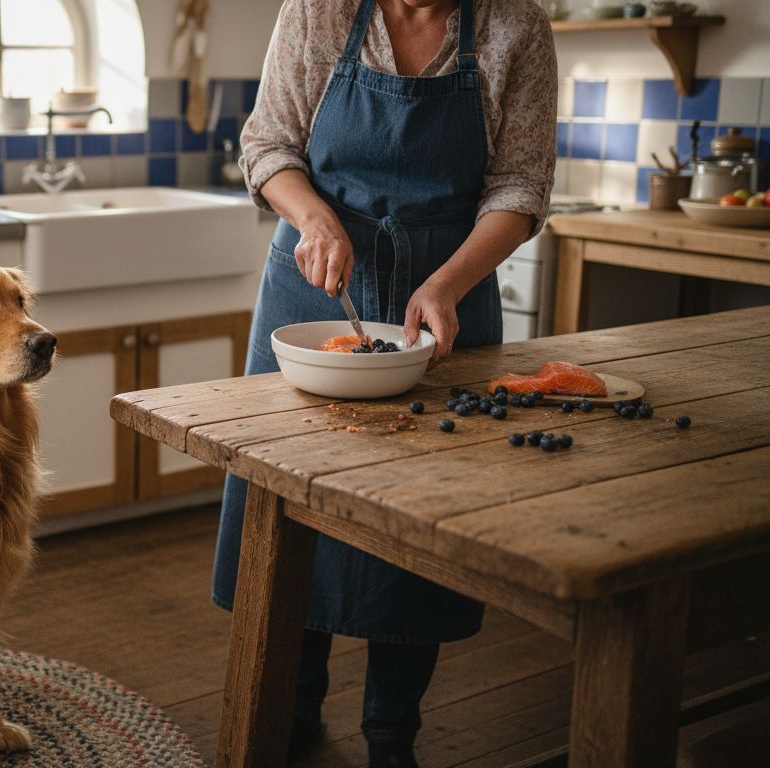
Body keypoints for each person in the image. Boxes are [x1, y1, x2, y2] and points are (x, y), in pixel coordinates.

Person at [213, 0, 556, 766]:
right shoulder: (320, 9)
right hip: (314, 280)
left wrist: (448, 284)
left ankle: (393, 730)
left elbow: (521, 184)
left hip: (446, 292)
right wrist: (313, 219)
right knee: (291, 497)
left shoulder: (516, 26)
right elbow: (268, 144)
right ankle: (291, 705)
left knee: (422, 514)